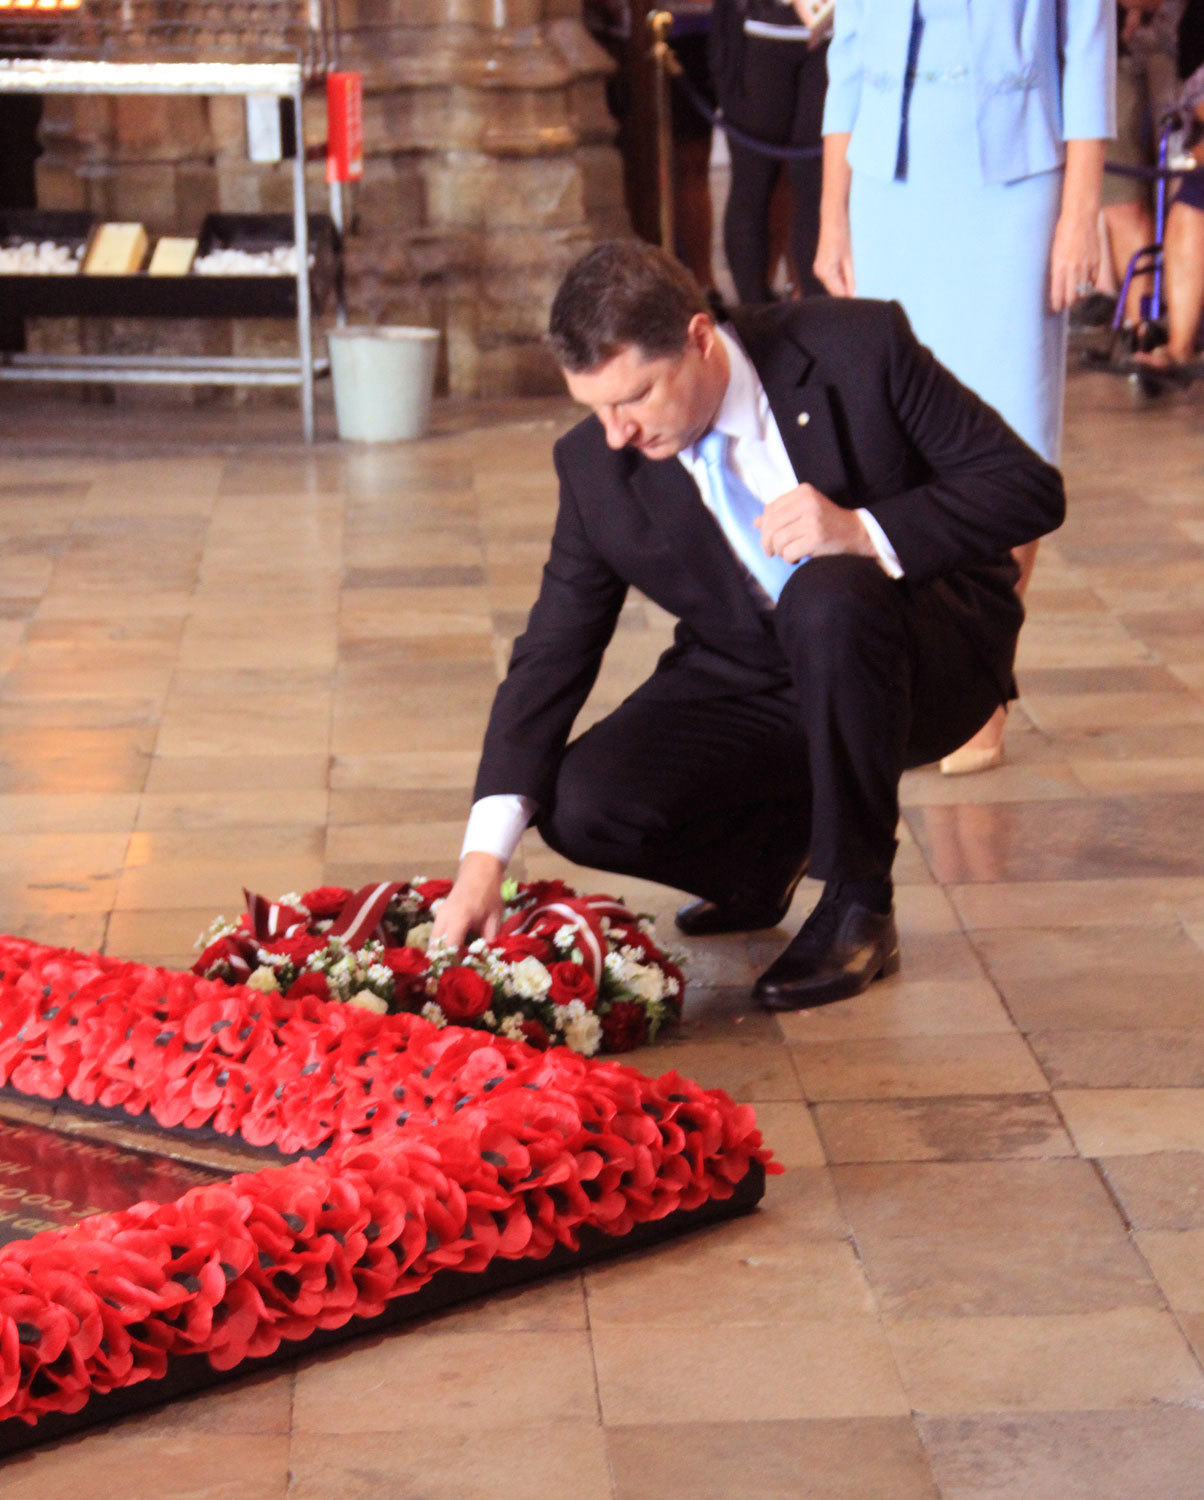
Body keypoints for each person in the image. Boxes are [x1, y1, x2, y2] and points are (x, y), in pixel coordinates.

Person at [431, 240, 1065, 1011]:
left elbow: (1028, 491)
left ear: (699, 339)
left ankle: (859, 903)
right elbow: (551, 652)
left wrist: (866, 530)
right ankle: (764, 867)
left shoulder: (857, 347)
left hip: (921, 650)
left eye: (633, 397)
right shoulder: (596, 468)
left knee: (827, 593)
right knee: (581, 800)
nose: (615, 432)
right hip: (754, 670)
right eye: (594, 407)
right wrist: (480, 865)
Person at [814, 0, 1114, 774]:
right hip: (889, 177)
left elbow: (1087, 48)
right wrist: (832, 213)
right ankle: (932, 672)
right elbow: (847, 53)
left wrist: (1082, 212)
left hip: (1018, 185)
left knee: (1013, 423)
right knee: (900, 432)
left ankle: (982, 682)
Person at [708, 0, 830, 301]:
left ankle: (819, 312)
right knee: (752, 183)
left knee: (816, 187)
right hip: (758, 36)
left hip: (831, 40)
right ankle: (752, 313)